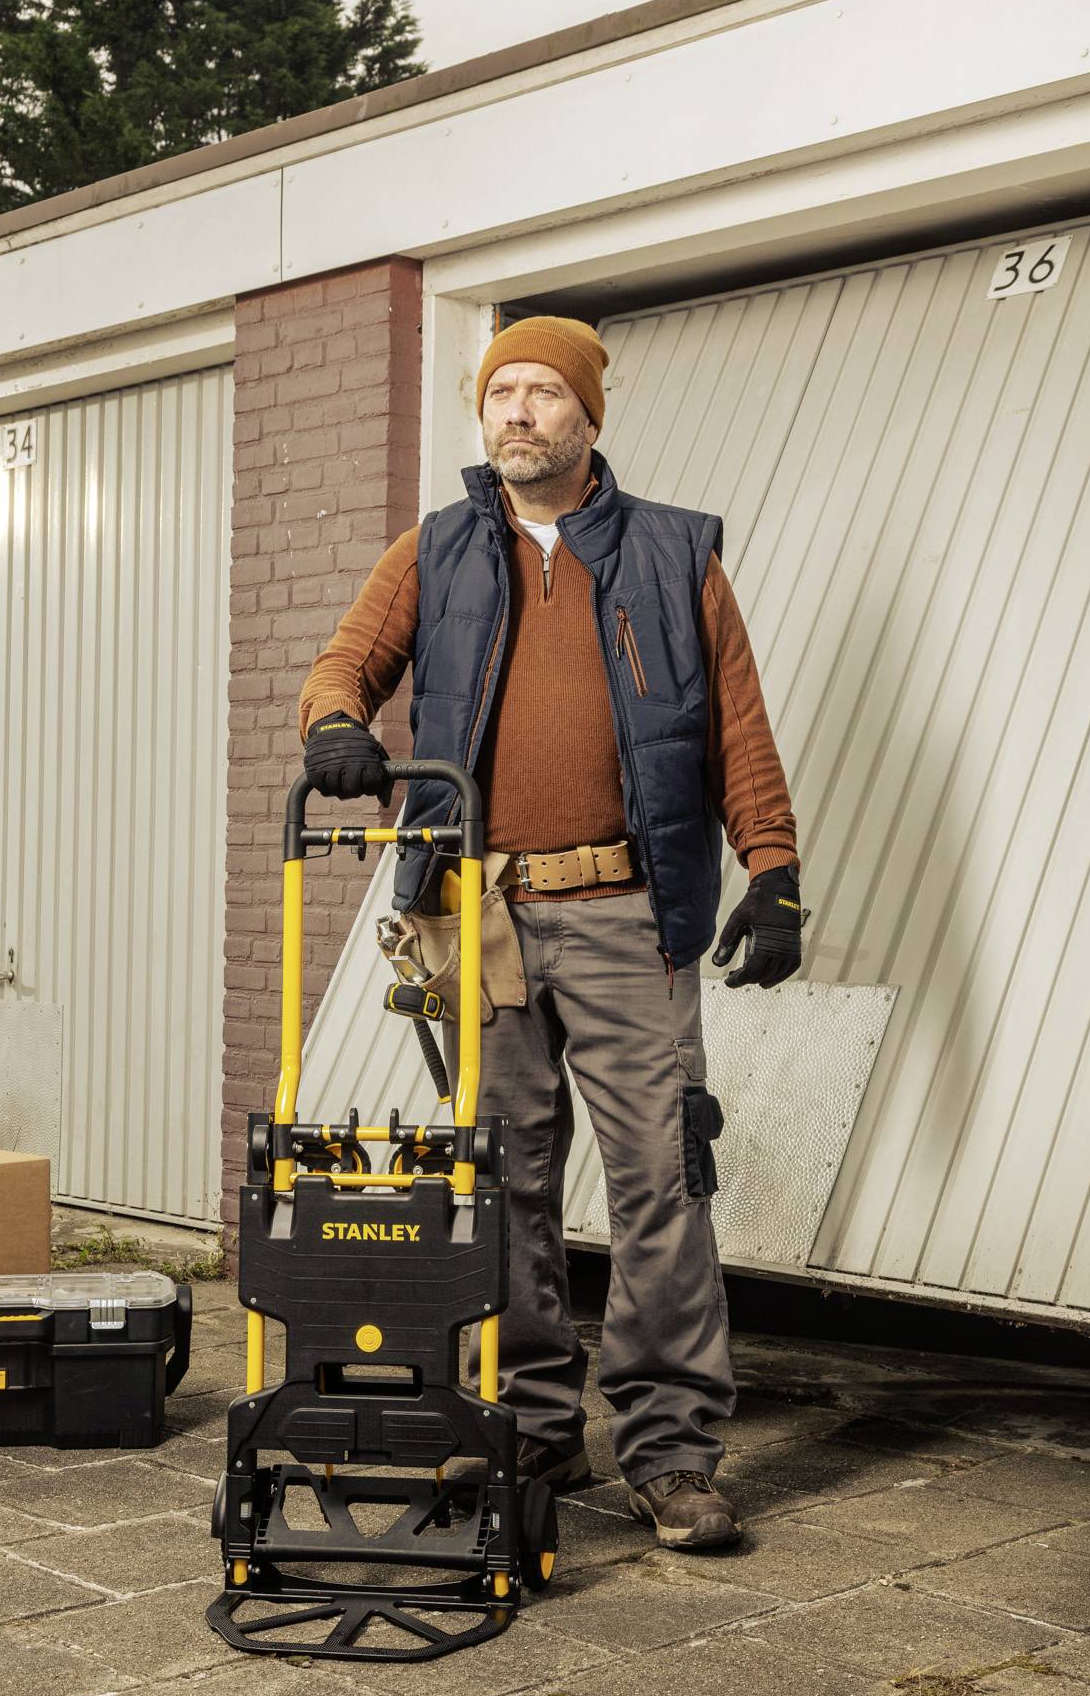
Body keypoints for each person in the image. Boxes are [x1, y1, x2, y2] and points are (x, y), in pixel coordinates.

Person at [298, 316, 803, 1552]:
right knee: (509, 1181)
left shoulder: (676, 554)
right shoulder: (435, 549)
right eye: (500, 393)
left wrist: (774, 869)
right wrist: (331, 730)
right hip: (483, 912)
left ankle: (670, 1447)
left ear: (588, 415)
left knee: (662, 1185)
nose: (516, 412)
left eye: (541, 393)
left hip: (631, 913)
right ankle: (529, 1419)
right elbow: (343, 666)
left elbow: (737, 723)